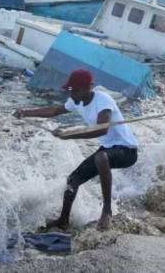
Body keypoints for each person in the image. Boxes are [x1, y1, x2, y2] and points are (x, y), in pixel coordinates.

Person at [14, 69, 138, 231]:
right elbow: (54, 111)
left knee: (101, 157)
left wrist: (70, 135)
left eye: (76, 90)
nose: (72, 94)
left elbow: (101, 130)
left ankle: (107, 211)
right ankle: (63, 220)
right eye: (71, 90)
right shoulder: (76, 101)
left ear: (89, 87)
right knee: (72, 180)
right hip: (108, 149)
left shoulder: (103, 100)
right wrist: (25, 113)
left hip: (127, 151)